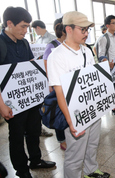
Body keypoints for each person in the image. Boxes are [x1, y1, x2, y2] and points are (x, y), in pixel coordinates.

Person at [47, 11, 110, 178]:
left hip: (92, 108)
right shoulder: (57, 56)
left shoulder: (87, 51)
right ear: (68, 29)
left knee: (92, 144)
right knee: (75, 154)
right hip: (74, 113)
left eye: (87, 29)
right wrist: (70, 121)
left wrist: (108, 99)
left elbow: (94, 80)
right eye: (83, 30)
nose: (87, 34)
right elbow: (59, 92)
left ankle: (91, 171)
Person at [0, 7, 56, 178]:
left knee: (33, 130)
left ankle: (36, 159)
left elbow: (30, 65)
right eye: (23, 27)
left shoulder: (24, 42)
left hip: (30, 98)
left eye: (28, 27)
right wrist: (1, 105)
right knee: (16, 136)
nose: (26, 31)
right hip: (12, 102)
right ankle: (22, 171)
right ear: (9, 23)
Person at [94, 15, 115, 118]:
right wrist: (107, 62)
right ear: (107, 25)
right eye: (114, 23)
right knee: (114, 90)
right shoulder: (104, 38)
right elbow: (100, 55)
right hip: (110, 69)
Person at [43, 17, 67, 151]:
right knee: (59, 112)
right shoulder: (52, 45)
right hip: (57, 86)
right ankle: (62, 140)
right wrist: (52, 84)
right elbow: (47, 65)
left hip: (68, 85)